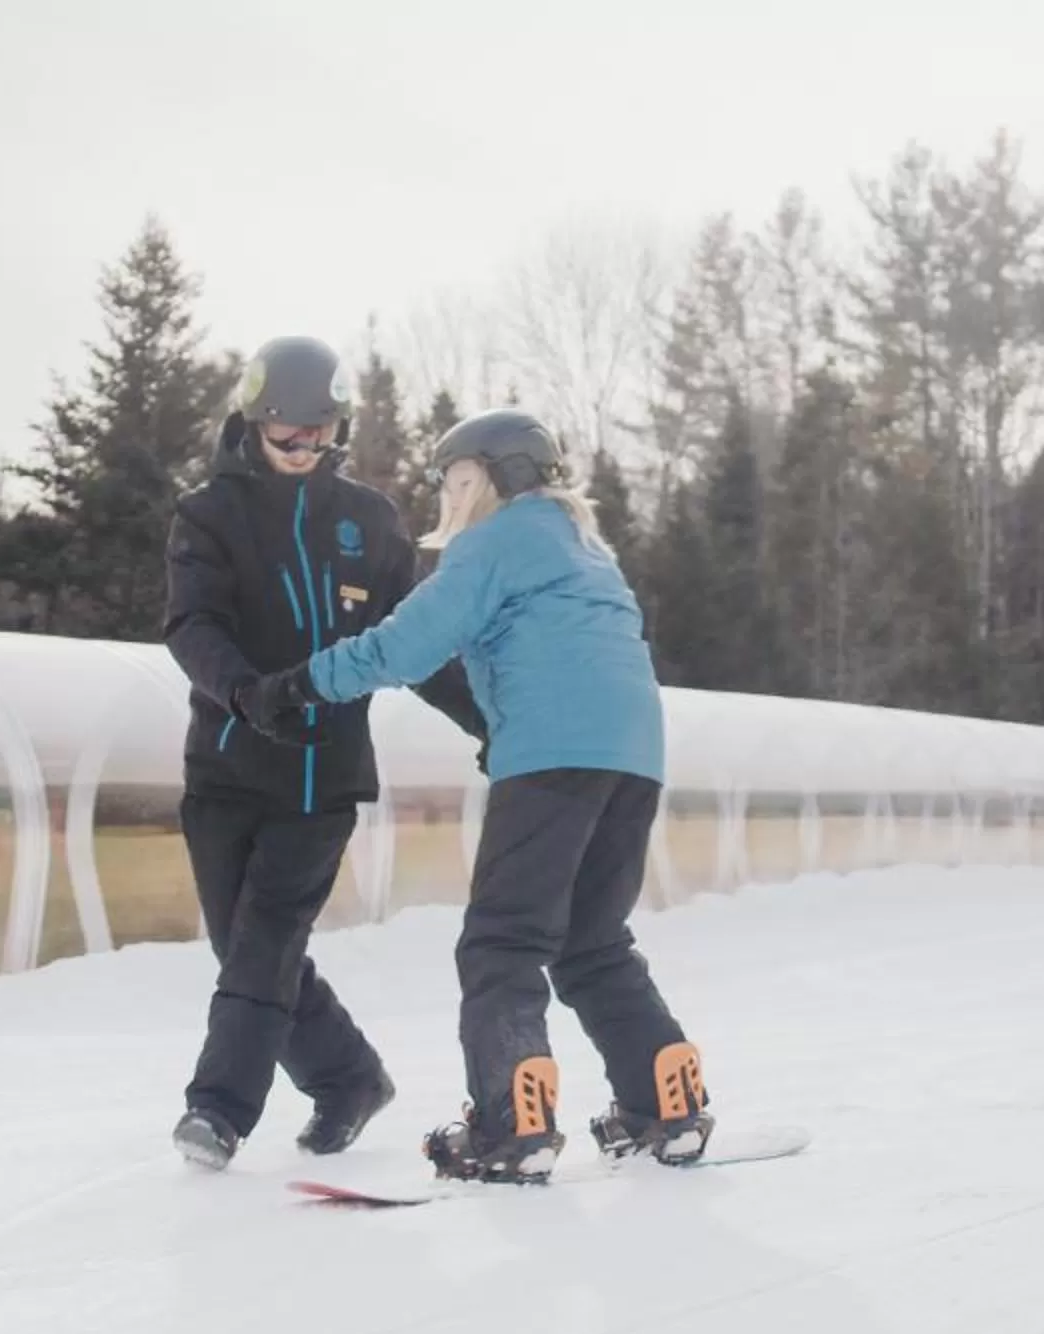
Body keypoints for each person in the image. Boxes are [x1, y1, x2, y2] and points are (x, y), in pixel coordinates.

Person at [241, 409, 712, 1184]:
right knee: (592, 940)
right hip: (633, 758)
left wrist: (299, 686)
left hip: (553, 756)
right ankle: (666, 1101)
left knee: (503, 943)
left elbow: (405, 645)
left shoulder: (497, 541)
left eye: (455, 479)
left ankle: (511, 1123)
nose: (447, 497)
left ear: (493, 476)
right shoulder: (587, 552)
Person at [160, 336, 488, 1170]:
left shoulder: (368, 522)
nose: (307, 448)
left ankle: (218, 1111)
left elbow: (414, 645)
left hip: (321, 777)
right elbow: (193, 627)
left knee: (267, 935)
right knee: (245, 949)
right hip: (228, 766)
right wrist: (247, 695)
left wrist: (493, 723)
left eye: (322, 432)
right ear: (253, 421)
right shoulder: (208, 516)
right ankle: (349, 1078)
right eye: (289, 434)